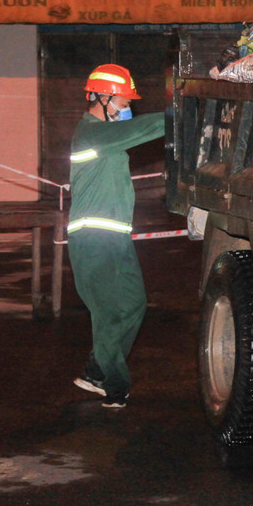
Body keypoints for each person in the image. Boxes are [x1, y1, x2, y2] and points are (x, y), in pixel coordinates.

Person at [67, 64, 164, 409]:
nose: (127, 108)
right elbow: (149, 127)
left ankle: (95, 370)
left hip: (115, 240)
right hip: (92, 240)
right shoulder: (92, 134)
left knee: (133, 303)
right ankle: (114, 385)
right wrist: (183, 111)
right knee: (109, 312)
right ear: (102, 97)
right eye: (123, 102)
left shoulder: (105, 136)